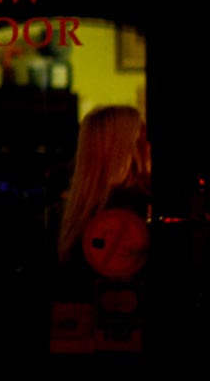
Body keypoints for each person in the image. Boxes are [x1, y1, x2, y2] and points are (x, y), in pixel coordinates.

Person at [54, 105, 150, 296]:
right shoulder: (135, 210)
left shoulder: (74, 216)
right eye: (145, 139)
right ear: (128, 151)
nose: (150, 146)